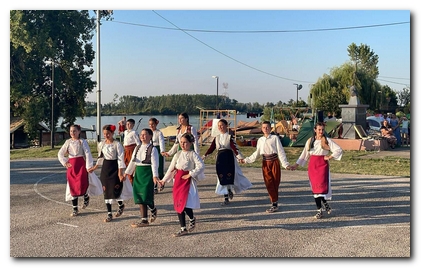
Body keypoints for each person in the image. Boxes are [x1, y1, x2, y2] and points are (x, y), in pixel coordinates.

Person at [290, 122, 343, 219]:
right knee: (315, 189)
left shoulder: (327, 140)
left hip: (322, 165)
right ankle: (320, 209)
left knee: (321, 188)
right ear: (315, 130)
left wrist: (330, 156)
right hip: (313, 166)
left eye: (322, 130)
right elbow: (304, 155)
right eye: (319, 129)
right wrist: (296, 165)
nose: (321, 131)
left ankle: (324, 204)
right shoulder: (310, 141)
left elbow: (338, 150)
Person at [240, 121, 292, 213]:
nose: (265, 129)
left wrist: (285, 164)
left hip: (274, 162)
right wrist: (246, 160)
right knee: (269, 183)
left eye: (267, 127)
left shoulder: (275, 138)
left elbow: (281, 151)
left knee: (275, 182)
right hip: (265, 163)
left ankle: (275, 202)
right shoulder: (260, 140)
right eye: (264, 127)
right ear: (261, 129)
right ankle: (274, 203)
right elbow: (257, 153)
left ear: (270, 128)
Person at [158, 133, 205, 237]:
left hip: (187, 181)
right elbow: (171, 168)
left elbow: (201, 166)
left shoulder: (192, 154)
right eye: (181, 142)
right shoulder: (178, 154)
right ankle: (183, 228)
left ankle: (192, 218)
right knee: (178, 204)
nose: (183, 144)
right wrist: (164, 180)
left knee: (185, 203)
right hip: (178, 180)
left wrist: (191, 174)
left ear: (190, 143)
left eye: (185, 142)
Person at [202, 119, 252, 206]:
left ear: (226, 126)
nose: (220, 127)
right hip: (220, 160)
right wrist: (204, 156)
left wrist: (240, 158)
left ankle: (229, 190)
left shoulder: (229, 137)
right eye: (219, 126)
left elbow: (234, 148)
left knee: (231, 176)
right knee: (221, 177)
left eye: (222, 125)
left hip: (229, 159)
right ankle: (226, 197)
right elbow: (211, 148)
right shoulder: (216, 138)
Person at [89, 124, 127, 222]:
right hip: (106, 168)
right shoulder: (102, 144)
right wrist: (95, 167)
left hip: (114, 167)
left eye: (108, 133)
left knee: (115, 188)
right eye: (104, 134)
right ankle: (109, 213)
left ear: (112, 133)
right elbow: (100, 157)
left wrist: (120, 172)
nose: (106, 135)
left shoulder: (117, 144)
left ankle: (121, 205)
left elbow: (120, 159)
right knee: (105, 190)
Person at [58, 124, 97, 216]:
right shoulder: (68, 142)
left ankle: (86, 196)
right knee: (72, 186)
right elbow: (60, 153)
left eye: (74, 131)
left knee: (81, 183)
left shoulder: (82, 141)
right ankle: (75, 209)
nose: (72, 133)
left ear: (79, 131)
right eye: (71, 131)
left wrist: (88, 166)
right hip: (72, 166)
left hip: (81, 165)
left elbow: (87, 154)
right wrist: (65, 162)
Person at [124, 128, 159, 227]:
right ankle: (145, 218)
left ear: (150, 136)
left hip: (147, 173)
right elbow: (133, 161)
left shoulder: (153, 149)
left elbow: (154, 164)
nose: (142, 136)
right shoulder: (137, 147)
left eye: (145, 134)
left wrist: (155, 176)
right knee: (139, 196)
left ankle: (148, 215)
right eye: (141, 135)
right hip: (138, 173)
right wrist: (126, 173)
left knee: (145, 195)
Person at [148, 117, 166, 193]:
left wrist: (162, 151)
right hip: (150, 149)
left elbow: (161, 142)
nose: (151, 126)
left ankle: (161, 182)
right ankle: (154, 185)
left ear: (156, 124)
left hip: (157, 149)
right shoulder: (148, 132)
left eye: (153, 124)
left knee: (159, 168)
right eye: (150, 124)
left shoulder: (159, 133)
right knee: (152, 168)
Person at [122, 118, 141, 185]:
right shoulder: (125, 132)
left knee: (131, 165)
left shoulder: (134, 132)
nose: (128, 125)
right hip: (125, 150)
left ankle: (132, 180)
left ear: (133, 125)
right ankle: (127, 179)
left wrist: (136, 152)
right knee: (125, 164)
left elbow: (138, 143)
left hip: (131, 149)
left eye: (129, 124)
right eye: (127, 124)